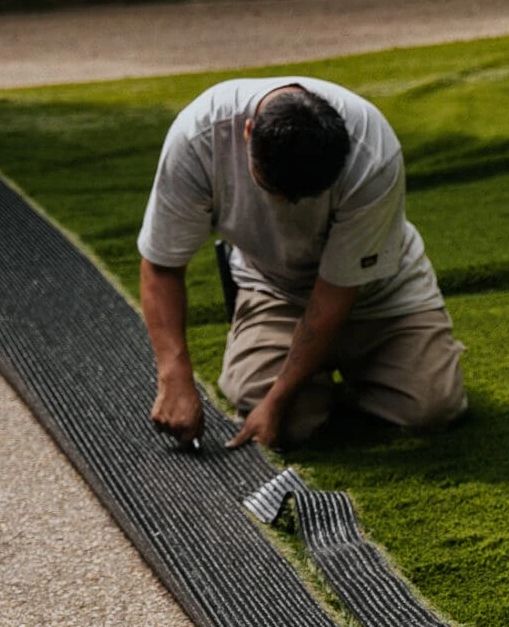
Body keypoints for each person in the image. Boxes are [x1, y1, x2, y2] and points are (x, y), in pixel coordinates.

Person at [138, 78, 466, 450]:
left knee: (432, 409)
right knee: (291, 425)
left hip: (380, 289)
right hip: (274, 288)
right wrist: (174, 376)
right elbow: (162, 262)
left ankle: (336, 375)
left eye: (304, 197)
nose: (284, 206)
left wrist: (277, 401)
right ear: (248, 132)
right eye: (272, 190)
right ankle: (315, 374)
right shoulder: (198, 138)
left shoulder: (372, 152)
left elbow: (335, 293)